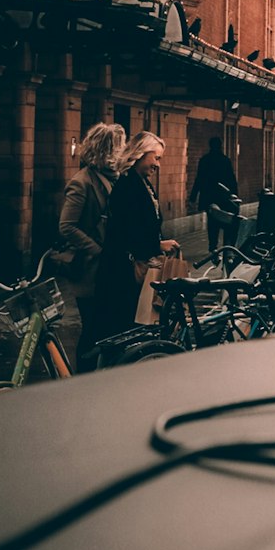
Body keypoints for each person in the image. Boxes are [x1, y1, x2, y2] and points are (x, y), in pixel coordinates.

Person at [92, 132, 180, 357]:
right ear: (140, 154)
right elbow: (127, 230)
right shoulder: (128, 185)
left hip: (131, 268)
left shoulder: (141, 183)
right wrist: (157, 245)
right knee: (123, 327)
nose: (158, 165)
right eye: (156, 158)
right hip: (123, 271)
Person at [58, 122, 127, 372]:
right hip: (91, 270)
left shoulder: (116, 179)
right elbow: (67, 226)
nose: (116, 157)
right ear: (98, 152)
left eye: (118, 150)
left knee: (110, 327)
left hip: (109, 269)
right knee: (93, 328)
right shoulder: (82, 183)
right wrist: (98, 250)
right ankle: (84, 377)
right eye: (111, 151)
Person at [189, 135, 239, 255]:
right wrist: (235, 194)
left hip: (209, 197)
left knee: (212, 222)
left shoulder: (204, 160)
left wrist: (193, 196)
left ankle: (213, 247)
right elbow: (231, 179)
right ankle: (227, 246)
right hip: (223, 197)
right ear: (220, 146)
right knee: (227, 221)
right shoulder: (225, 160)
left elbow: (199, 179)